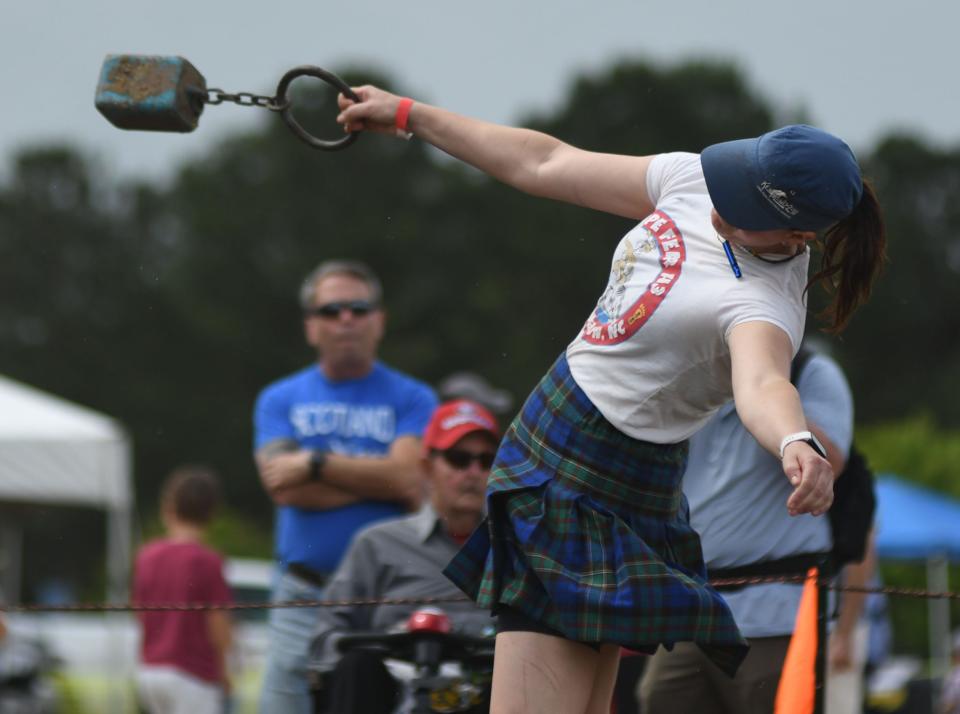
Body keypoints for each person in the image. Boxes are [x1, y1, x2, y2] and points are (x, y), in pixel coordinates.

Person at [336, 88, 886, 714]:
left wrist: (793, 438)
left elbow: (763, 383)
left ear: (799, 231)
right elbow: (544, 162)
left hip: (619, 483)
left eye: (742, 203)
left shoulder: (763, 303)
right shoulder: (696, 179)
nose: (720, 203)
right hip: (556, 447)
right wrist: (410, 116)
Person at [253, 259, 438, 713]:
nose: (346, 319)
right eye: (332, 310)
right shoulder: (279, 399)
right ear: (311, 327)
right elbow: (283, 487)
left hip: (386, 598)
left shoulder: (414, 397)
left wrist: (314, 462)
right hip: (302, 594)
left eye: (358, 308)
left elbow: (411, 480)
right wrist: (381, 480)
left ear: (380, 321)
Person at [636, 347, 855, 714]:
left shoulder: (809, 371)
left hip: (779, 617)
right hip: (694, 610)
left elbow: (829, 461)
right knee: (658, 698)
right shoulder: (695, 377)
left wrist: (763, 394)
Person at [310, 399, 500, 713]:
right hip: (391, 690)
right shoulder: (377, 542)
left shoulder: (514, 547)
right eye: (459, 458)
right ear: (427, 467)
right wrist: (388, 644)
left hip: (481, 690)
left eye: (486, 460)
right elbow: (325, 640)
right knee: (356, 667)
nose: (473, 472)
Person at [132, 466, 233, 714]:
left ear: (168, 507)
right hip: (193, 674)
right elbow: (218, 624)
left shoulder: (147, 555)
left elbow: (138, 612)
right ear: (211, 512)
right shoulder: (208, 561)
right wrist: (225, 671)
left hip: (151, 670)